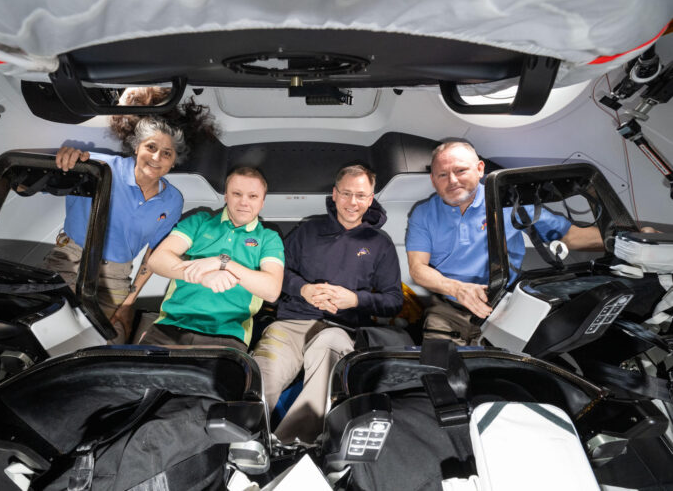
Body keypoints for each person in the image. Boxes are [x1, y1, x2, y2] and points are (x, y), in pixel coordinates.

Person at [252, 165, 403, 443]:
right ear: (334, 194)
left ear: (371, 199)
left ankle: (293, 445)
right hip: (291, 323)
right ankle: (245, 439)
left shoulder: (379, 244)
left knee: (329, 346)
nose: (353, 202)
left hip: (341, 327)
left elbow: (393, 301)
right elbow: (276, 274)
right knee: (263, 374)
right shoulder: (308, 230)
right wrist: (304, 289)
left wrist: (354, 299)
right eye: (346, 193)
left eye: (361, 195)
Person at [406, 141, 604, 345]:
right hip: (448, 310)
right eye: (442, 175)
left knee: (505, 371)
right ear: (433, 179)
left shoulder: (510, 202)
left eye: (461, 170)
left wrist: (624, 239)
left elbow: (570, 236)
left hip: (505, 306)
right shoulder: (422, 214)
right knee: (438, 370)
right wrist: (457, 289)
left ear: (479, 169)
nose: (453, 180)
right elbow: (418, 268)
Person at [43, 116, 186, 343]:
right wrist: (61, 160)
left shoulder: (172, 200)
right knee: (54, 336)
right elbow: (24, 183)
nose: (157, 157)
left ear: (174, 161)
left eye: (167, 153)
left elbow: (154, 254)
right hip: (72, 260)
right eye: (151, 147)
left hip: (117, 277)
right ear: (136, 146)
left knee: (110, 344)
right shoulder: (97, 166)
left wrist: (129, 302)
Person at [137, 167, 284, 352]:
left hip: (227, 335)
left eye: (253, 196)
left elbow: (271, 290)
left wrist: (222, 263)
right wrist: (203, 276)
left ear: (262, 201)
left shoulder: (269, 238)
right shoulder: (199, 221)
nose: (244, 202)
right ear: (226, 196)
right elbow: (157, 260)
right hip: (170, 326)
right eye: (237, 194)